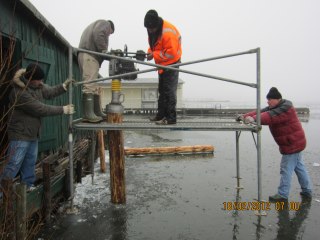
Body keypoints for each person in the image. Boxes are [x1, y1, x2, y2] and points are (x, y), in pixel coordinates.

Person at [0, 63, 74, 191]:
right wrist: (62, 109)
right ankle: (2, 192)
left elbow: (49, 91)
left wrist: (63, 86)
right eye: (38, 80)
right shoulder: (19, 93)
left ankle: (28, 186)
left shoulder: (37, 85)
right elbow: (40, 109)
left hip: (33, 133)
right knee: (13, 164)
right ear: (30, 79)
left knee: (29, 162)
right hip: (20, 134)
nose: (41, 82)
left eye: (41, 80)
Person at [236, 87, 312, 202]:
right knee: (299, 167)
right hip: (294, 142)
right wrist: (245, 116)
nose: (268, 101)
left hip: (291, 144)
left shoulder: (285, 109)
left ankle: (283, 195)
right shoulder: (277, 107)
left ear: (278, 99)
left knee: (286, 169)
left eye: (270, 99)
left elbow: (269, 116)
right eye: (268, 99)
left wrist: (253, 119)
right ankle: (307, 191)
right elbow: (261, 112)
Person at [144, 9, 182, 125]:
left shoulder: (167, 33)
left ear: (156, 25)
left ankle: (170, 118)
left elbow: (172, 53)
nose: (149, 31)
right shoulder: (153, 30)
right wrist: (149, 52)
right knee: (162, 91)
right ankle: (160, 115)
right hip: (162, 64)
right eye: (148, 29)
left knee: (169, 91)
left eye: (151, 29)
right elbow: (154, 46)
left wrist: (154, 55)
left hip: (172, 63)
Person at [78, 19, 115, 122]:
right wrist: (104, 51)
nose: (109, 35)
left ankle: (95, 112)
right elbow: (99, 33)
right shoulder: (105, 24)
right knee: (89, 84)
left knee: (93, 85)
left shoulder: (95, 24)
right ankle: (88, 114)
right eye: (110, 33)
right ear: (110, 28)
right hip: (90, 55)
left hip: (87, 54)